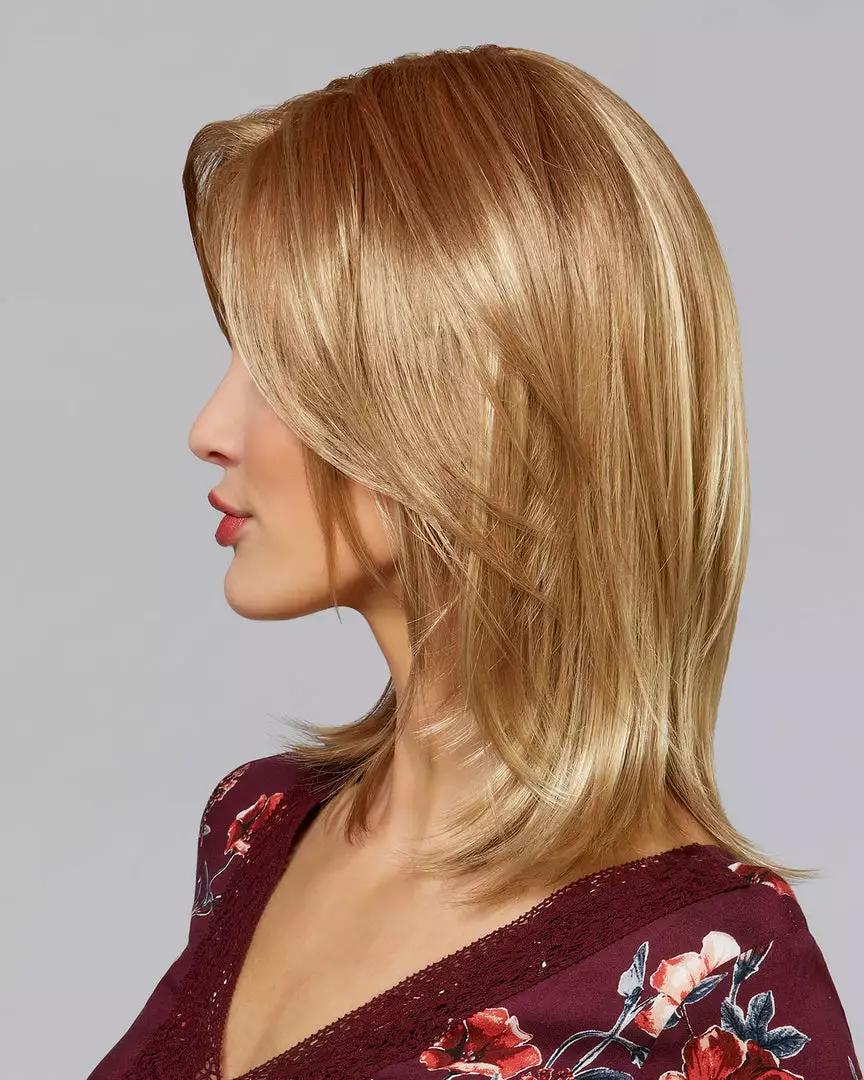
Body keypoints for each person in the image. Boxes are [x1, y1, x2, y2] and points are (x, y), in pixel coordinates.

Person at [85, 43, 860, 1080]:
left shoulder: (710, 983)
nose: (210, 428)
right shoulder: (256, 828)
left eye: (283, 367)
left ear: (474, 408)